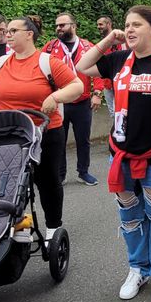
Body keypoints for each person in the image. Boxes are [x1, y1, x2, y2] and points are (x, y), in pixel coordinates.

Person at [76, 6, 151, 302]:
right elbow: (83, 65)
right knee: (130, 217)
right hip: (122, 157)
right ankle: (138, 268)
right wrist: (109, 40)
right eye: (127, 25)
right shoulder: (119, 59)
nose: (129, 30)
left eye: (136, 25)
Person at [0, 15, 83, 241]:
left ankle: (53, 229)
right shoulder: (0, 64)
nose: (8, 35)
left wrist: (55, 96)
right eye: (8, 31)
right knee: (12, 184)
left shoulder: (48, 62)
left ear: (29, 34)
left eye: (13, 31)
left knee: (48, 183)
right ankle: (22, 231)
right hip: (9, 135)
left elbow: (76, 86)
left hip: (45, 133)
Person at [43, 12, 101, 186]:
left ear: (73, 26)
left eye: (62, 25)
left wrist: (97, 93)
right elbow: (40, 69)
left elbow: (98, 70)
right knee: (58, 140)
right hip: (59, 102)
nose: (58, 28)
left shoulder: (87, 46)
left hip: (82, 102)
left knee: (83, 139)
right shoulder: (50, 47)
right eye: (57, 25)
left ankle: (83, 172)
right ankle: (60, 175)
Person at [95, 16, 126, 120]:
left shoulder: (121, 40)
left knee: (123, 110)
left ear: (108, 24)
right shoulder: (103, 42)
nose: (98, 27)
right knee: (112, 112)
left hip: (121, 83)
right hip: (107, 84)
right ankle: (116, 132)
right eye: (97, 24)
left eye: (101, 24)